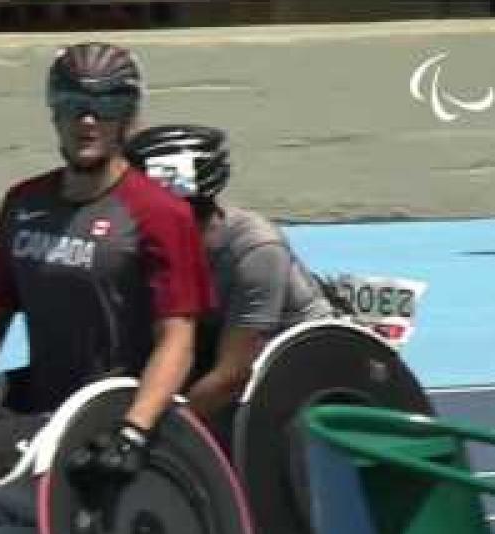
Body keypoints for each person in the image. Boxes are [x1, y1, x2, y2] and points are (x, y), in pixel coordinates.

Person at [0, 42, 216, 482]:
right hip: (39, 400)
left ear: (129, 116)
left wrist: (135, 429)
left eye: (106, 105)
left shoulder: (159, 213)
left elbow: (178, 339)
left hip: (110, 409)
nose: (88, 120)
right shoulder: (23, 203)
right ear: (54, 113)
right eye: (72, 104)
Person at [125, 124, 343, 446]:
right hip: (215, 346)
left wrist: (143, 433)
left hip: (293, 373)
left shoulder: (255, 252)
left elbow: (230, 377)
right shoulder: (144, 245)